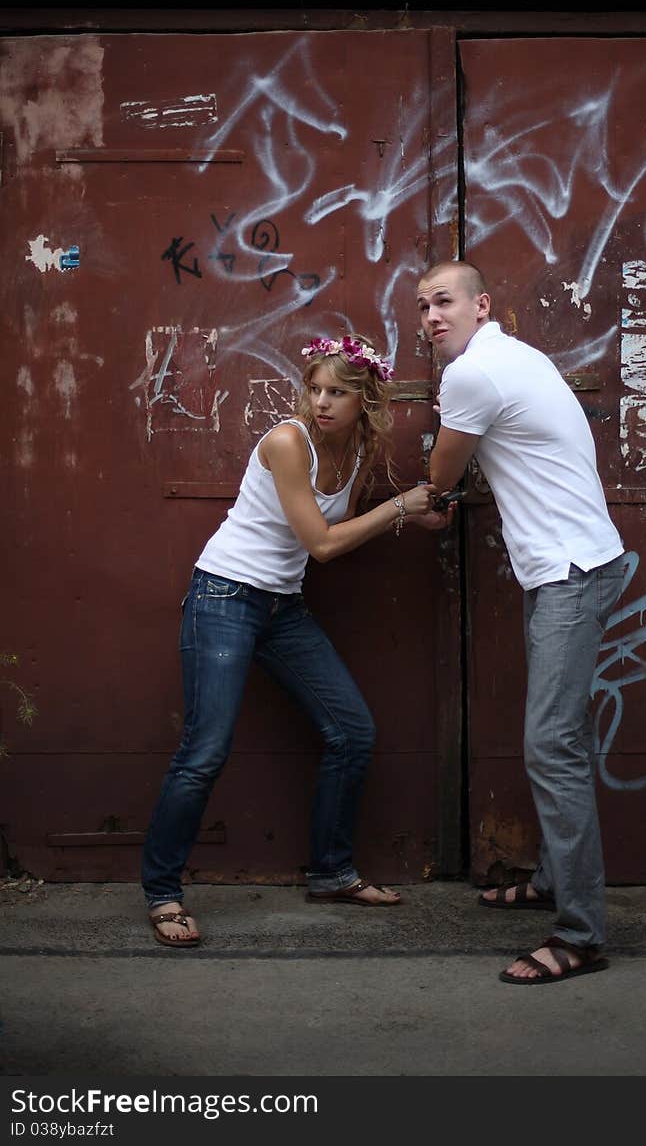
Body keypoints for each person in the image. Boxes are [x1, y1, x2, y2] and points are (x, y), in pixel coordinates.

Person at [141, 333, 442, 946]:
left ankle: (331, 872)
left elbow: (339, 527)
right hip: (225, 595)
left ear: (366, 402)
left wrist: (409, 514)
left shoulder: (358, 449)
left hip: (282, 606)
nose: (322, 402)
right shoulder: (286, 440)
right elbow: (325, 545)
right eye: (315, 389)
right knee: (205, 751)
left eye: (338, 392)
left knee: (351, 731)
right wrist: (404, 507)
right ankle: (163, 893)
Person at [417, 262, 626, 985]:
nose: (431, 317)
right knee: (557, 742)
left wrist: (426, 497)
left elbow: (442, 478)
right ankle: (552, 881)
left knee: (552, 748)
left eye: (444, 302)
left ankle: (580, 933)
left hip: (570, 573)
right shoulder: (515, 355)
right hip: (571, 567)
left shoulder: (473, 375)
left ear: (481, 304)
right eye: (423, 307)